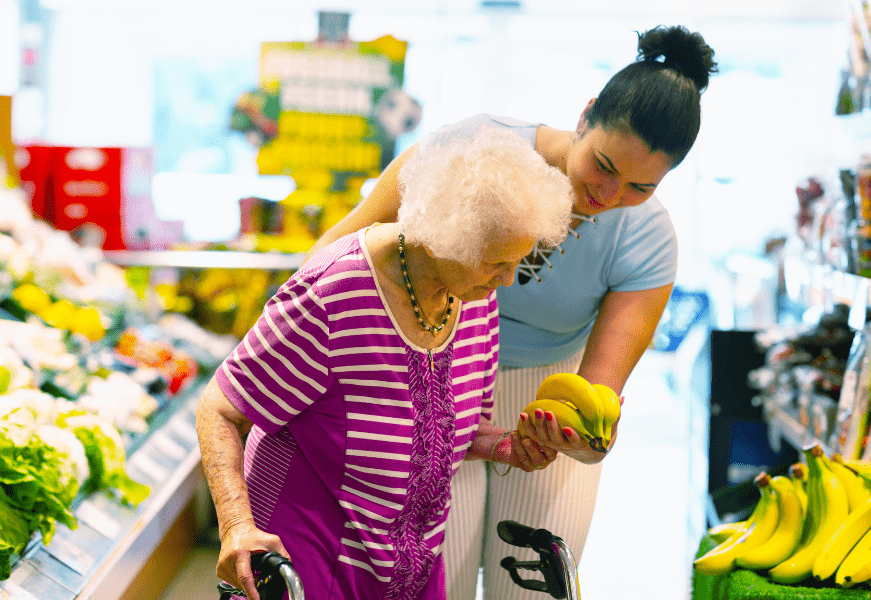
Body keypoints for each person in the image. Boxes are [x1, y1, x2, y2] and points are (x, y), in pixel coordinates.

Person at [300, 24, 718, 599]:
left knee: (532, 585)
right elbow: (332, 258)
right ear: (587, 113)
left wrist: (582, 437)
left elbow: (598, 393)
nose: (610, 195)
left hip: (543, 391)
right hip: (423, 375)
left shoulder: (647, 239)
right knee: (424, 578)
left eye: (640, 187)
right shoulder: (472, 150)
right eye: (603, 165)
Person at [195, 125, 575, 600]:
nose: (507, 280)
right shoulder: (335, 293)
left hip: (409, 563)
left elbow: (451, 430)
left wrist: (508, 447)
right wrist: (234, 527)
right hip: (307, 553)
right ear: (442, 238)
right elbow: (220, 407)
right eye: (496, 263)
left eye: (517, 261)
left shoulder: (472, 296)